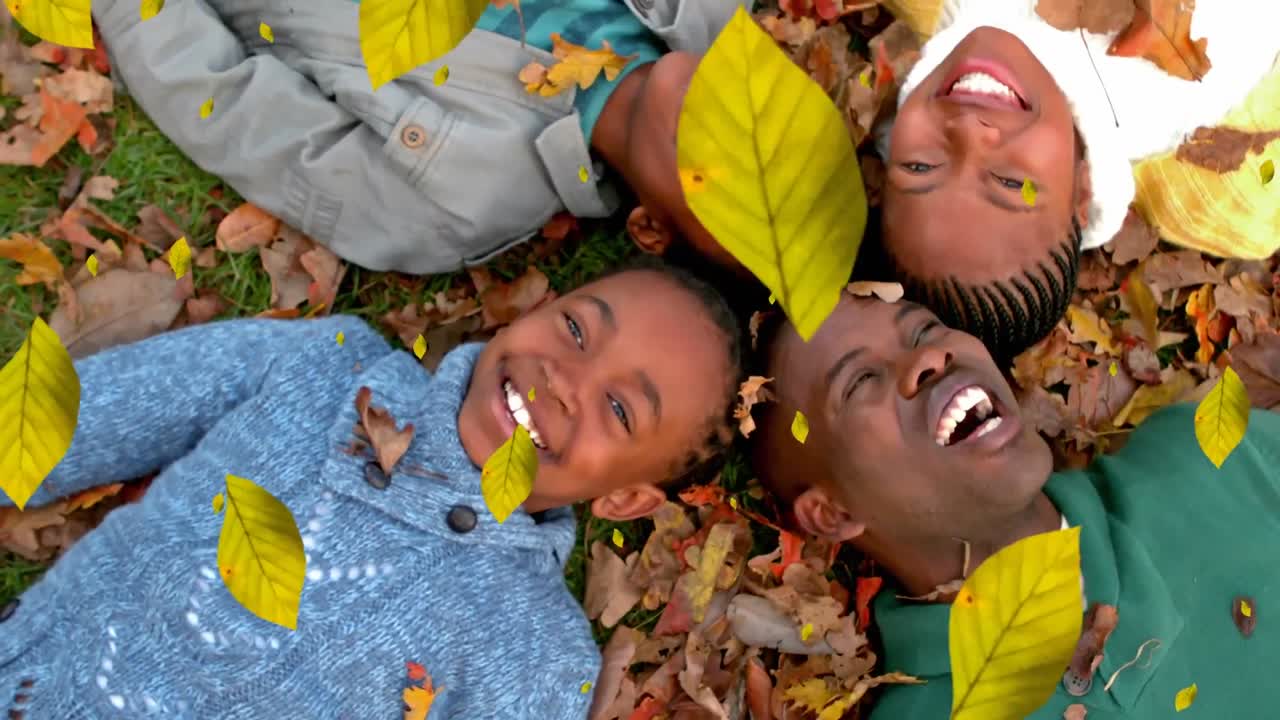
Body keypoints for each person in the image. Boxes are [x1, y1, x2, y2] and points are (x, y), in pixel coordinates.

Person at [0, 259, 746, 719]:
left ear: (625, 500)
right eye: (578, 331)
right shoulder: (323, 367)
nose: (565, 380)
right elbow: (85, 416)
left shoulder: (539, 662)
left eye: (619, 410)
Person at [751, 292, 1280, 719]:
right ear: (833, 513)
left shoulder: (1211, 456)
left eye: (925, 330)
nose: (929, 356)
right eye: (861, 380)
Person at [89, 0, 747, 275]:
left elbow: (218, 98)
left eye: (736, 193)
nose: (749, 146)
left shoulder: (462, 202)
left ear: (650, 228)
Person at [866, 0, 1280, 361]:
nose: (969, 132)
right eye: (1011, 182)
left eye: (921, 167)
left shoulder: (951, 39)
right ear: (1082, 191)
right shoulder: (1174, 78)